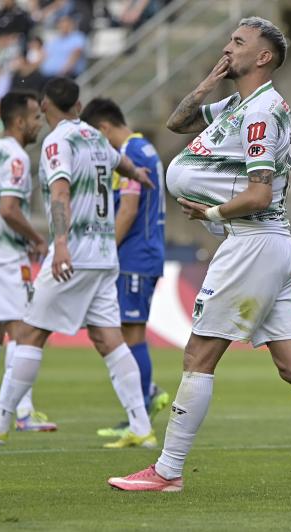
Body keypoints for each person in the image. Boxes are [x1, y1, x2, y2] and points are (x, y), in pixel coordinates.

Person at [107, 17, 291, 495]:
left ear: (263, 58)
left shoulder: (262, 112)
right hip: (269, 244)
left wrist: (212, 211)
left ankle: (168, 471)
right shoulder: (238, 106)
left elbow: (259, 193)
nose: (227, 47)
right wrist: (209, 82)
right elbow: (177, 123)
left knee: (199, 354)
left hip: (252, 240)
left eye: (238, 42)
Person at [0, 77, 155, 446]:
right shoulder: (94, 136)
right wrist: (138, 173)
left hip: (74, 253)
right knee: (109, 338)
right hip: (104, 253)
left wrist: (60, 244)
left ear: (45, 105)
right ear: (78, 104)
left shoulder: (56, 141)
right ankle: (141, 427)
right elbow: (119, 160)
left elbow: (60, 190)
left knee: (28, 333)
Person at [0, 91, 57, 432]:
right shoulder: (16, 158)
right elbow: (8, 208)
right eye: (35, 118)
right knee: (23, 331)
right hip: (2, 256)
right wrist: (35, 238)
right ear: (19, 121)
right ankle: (22, 412)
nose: (39, 124)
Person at [80, 98, 171, 441]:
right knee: (125, 332)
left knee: (130, 334)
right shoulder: (144, 149)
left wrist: (106, 250)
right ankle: (143, 405)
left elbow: (128, 211)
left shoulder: (133, 154)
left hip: (136, 256)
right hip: (140, 254)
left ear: (103, 129)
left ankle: (141, 415)